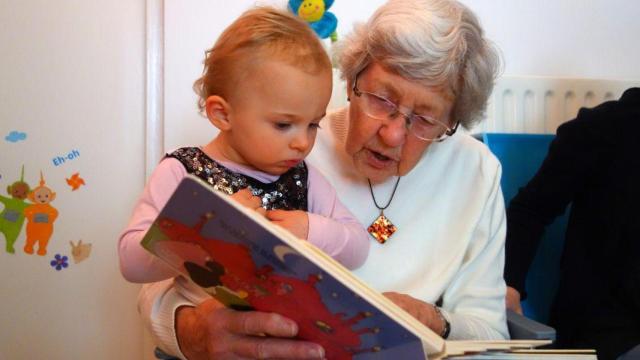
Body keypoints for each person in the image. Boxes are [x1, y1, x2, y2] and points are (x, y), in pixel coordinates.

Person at [140, 0, 507, 358]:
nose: (393, 135)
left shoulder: (476, 171)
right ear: (350, 81)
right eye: (382, 99)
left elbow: (491, 332)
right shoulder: (285, 143)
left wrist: (435, 320)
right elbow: (159, 275)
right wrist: (192, 332)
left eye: (426, 119)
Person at [118, 7, 371, 286]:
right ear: (223, 114)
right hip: (209, 323)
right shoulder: (181, 171)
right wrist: (208, 228)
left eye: (313, 124)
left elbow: (358, 248)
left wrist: (310, 229)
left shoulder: (304, 179)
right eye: (283, 125)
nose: (302, 143)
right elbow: (131, 263)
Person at [504, 88, 640, 360]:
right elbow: (531, 209)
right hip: (612, 330)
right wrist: (508, 284)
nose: (395, 132)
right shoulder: (608, 128)